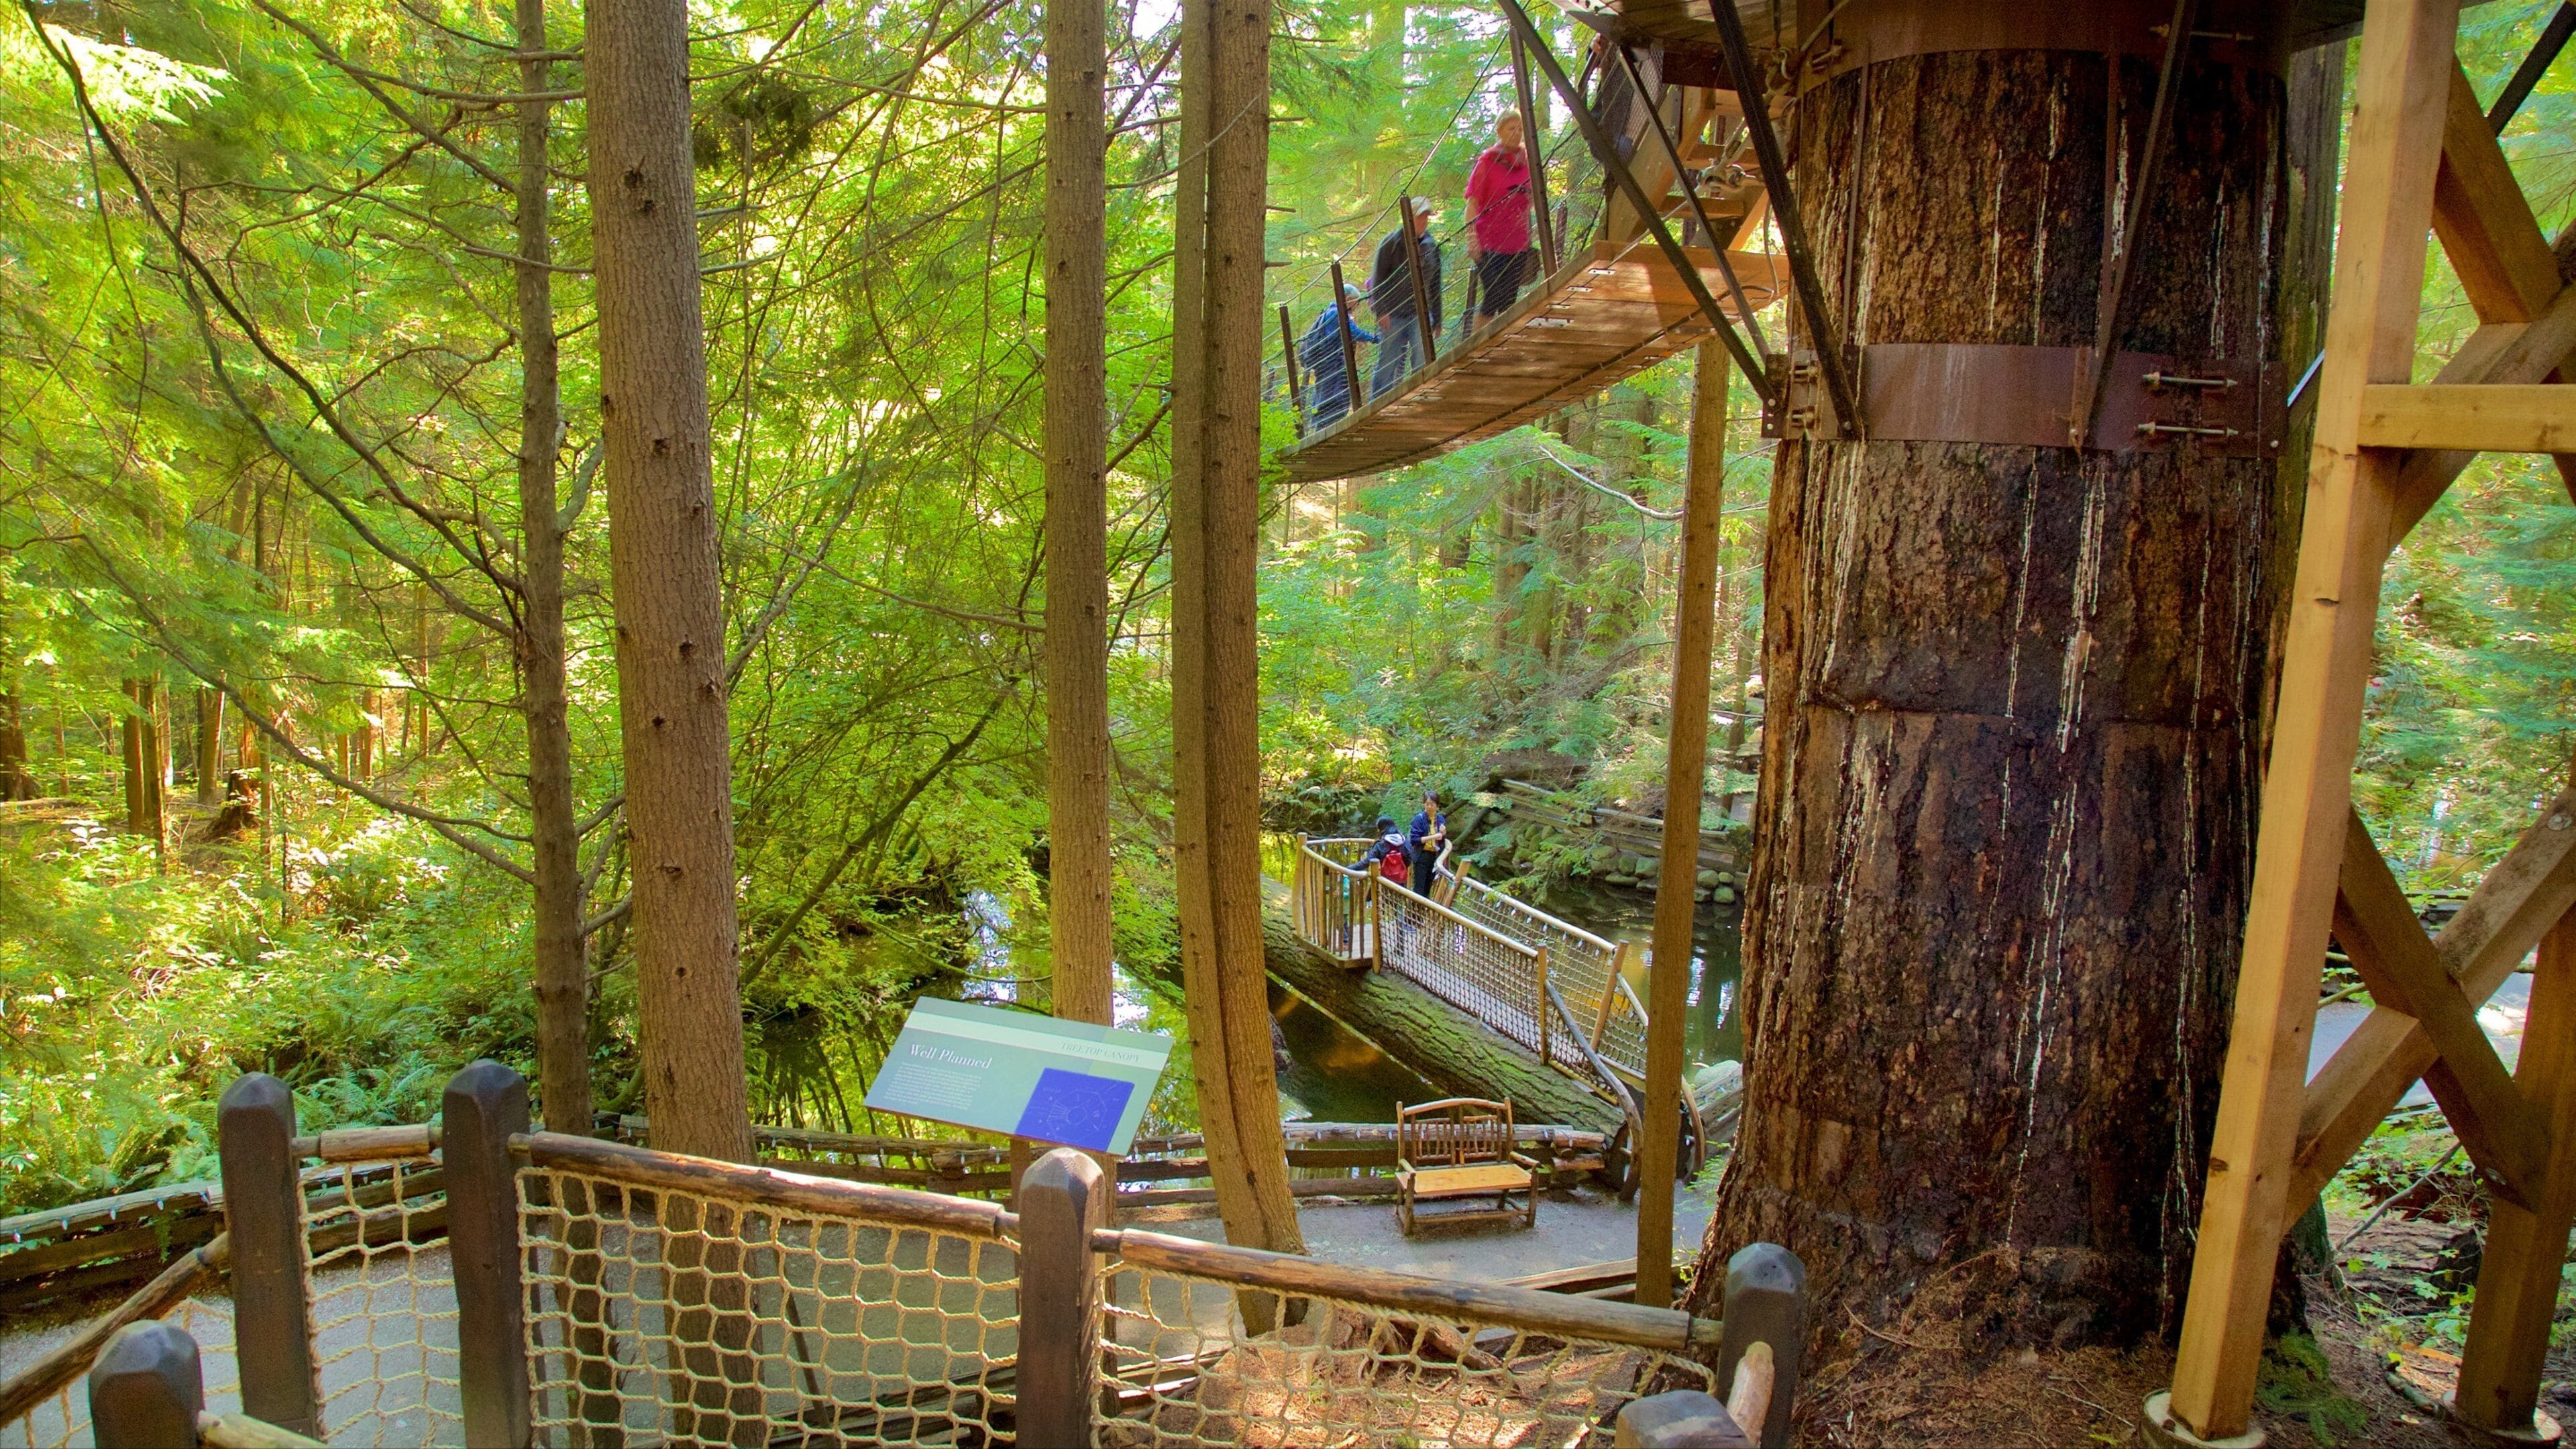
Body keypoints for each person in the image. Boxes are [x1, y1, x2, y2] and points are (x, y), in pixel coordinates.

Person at [1464, 113, 1539, 326]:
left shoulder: (1527, 164)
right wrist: (1471, 239)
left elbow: (1533, 202)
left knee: (1508, 302)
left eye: (1519, 129)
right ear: (1499, 132)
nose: (1516, 134)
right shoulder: (1487, 162)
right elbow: (1472, 204)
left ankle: (1502, 351)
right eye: (1511, 129)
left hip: (1518, 244)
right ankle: (1477, 349)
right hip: (1488, 244)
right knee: (1493, 296)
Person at [1367, 199, 1443, 398]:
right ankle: (1378, 404)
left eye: (1426, 217)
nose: (1423, 221)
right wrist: (1382, 310)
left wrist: (1438, 319)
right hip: (1393, 314)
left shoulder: (1432, 246)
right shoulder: (1390, 244)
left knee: (1422, 358)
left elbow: (1435, 285)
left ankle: (1420, 398)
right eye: (1420, 216)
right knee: (1388, 362)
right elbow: (1377, 280)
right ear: (1408, 217)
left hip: (1420, 313)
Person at [1296, 283, 1377, 432]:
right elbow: (1352, 331)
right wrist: (1373, 338)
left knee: (1327, 392)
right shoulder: (1337, 313)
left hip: (1326, 362)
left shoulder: (1330, 313)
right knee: (1336, 393)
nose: (1358, 304)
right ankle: (1328, 426)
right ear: (1347, 299)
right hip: (1332, 362)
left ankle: (1324, 426)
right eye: (1355, 300)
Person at [1407, 791, 1447, 896]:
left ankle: (1423, 910)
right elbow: (1414, 840)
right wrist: (1433, 837)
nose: (1429, 807)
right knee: (1419, 887)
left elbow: (1442, 841)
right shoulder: (1419, 819)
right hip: (1421, 855)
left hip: (1435, 856)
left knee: (1428, 886)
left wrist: (1443, 834)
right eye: (1427, 804)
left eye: (1432, 804)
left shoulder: (1441, 819)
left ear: (1437, 806)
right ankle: (1414, 910)